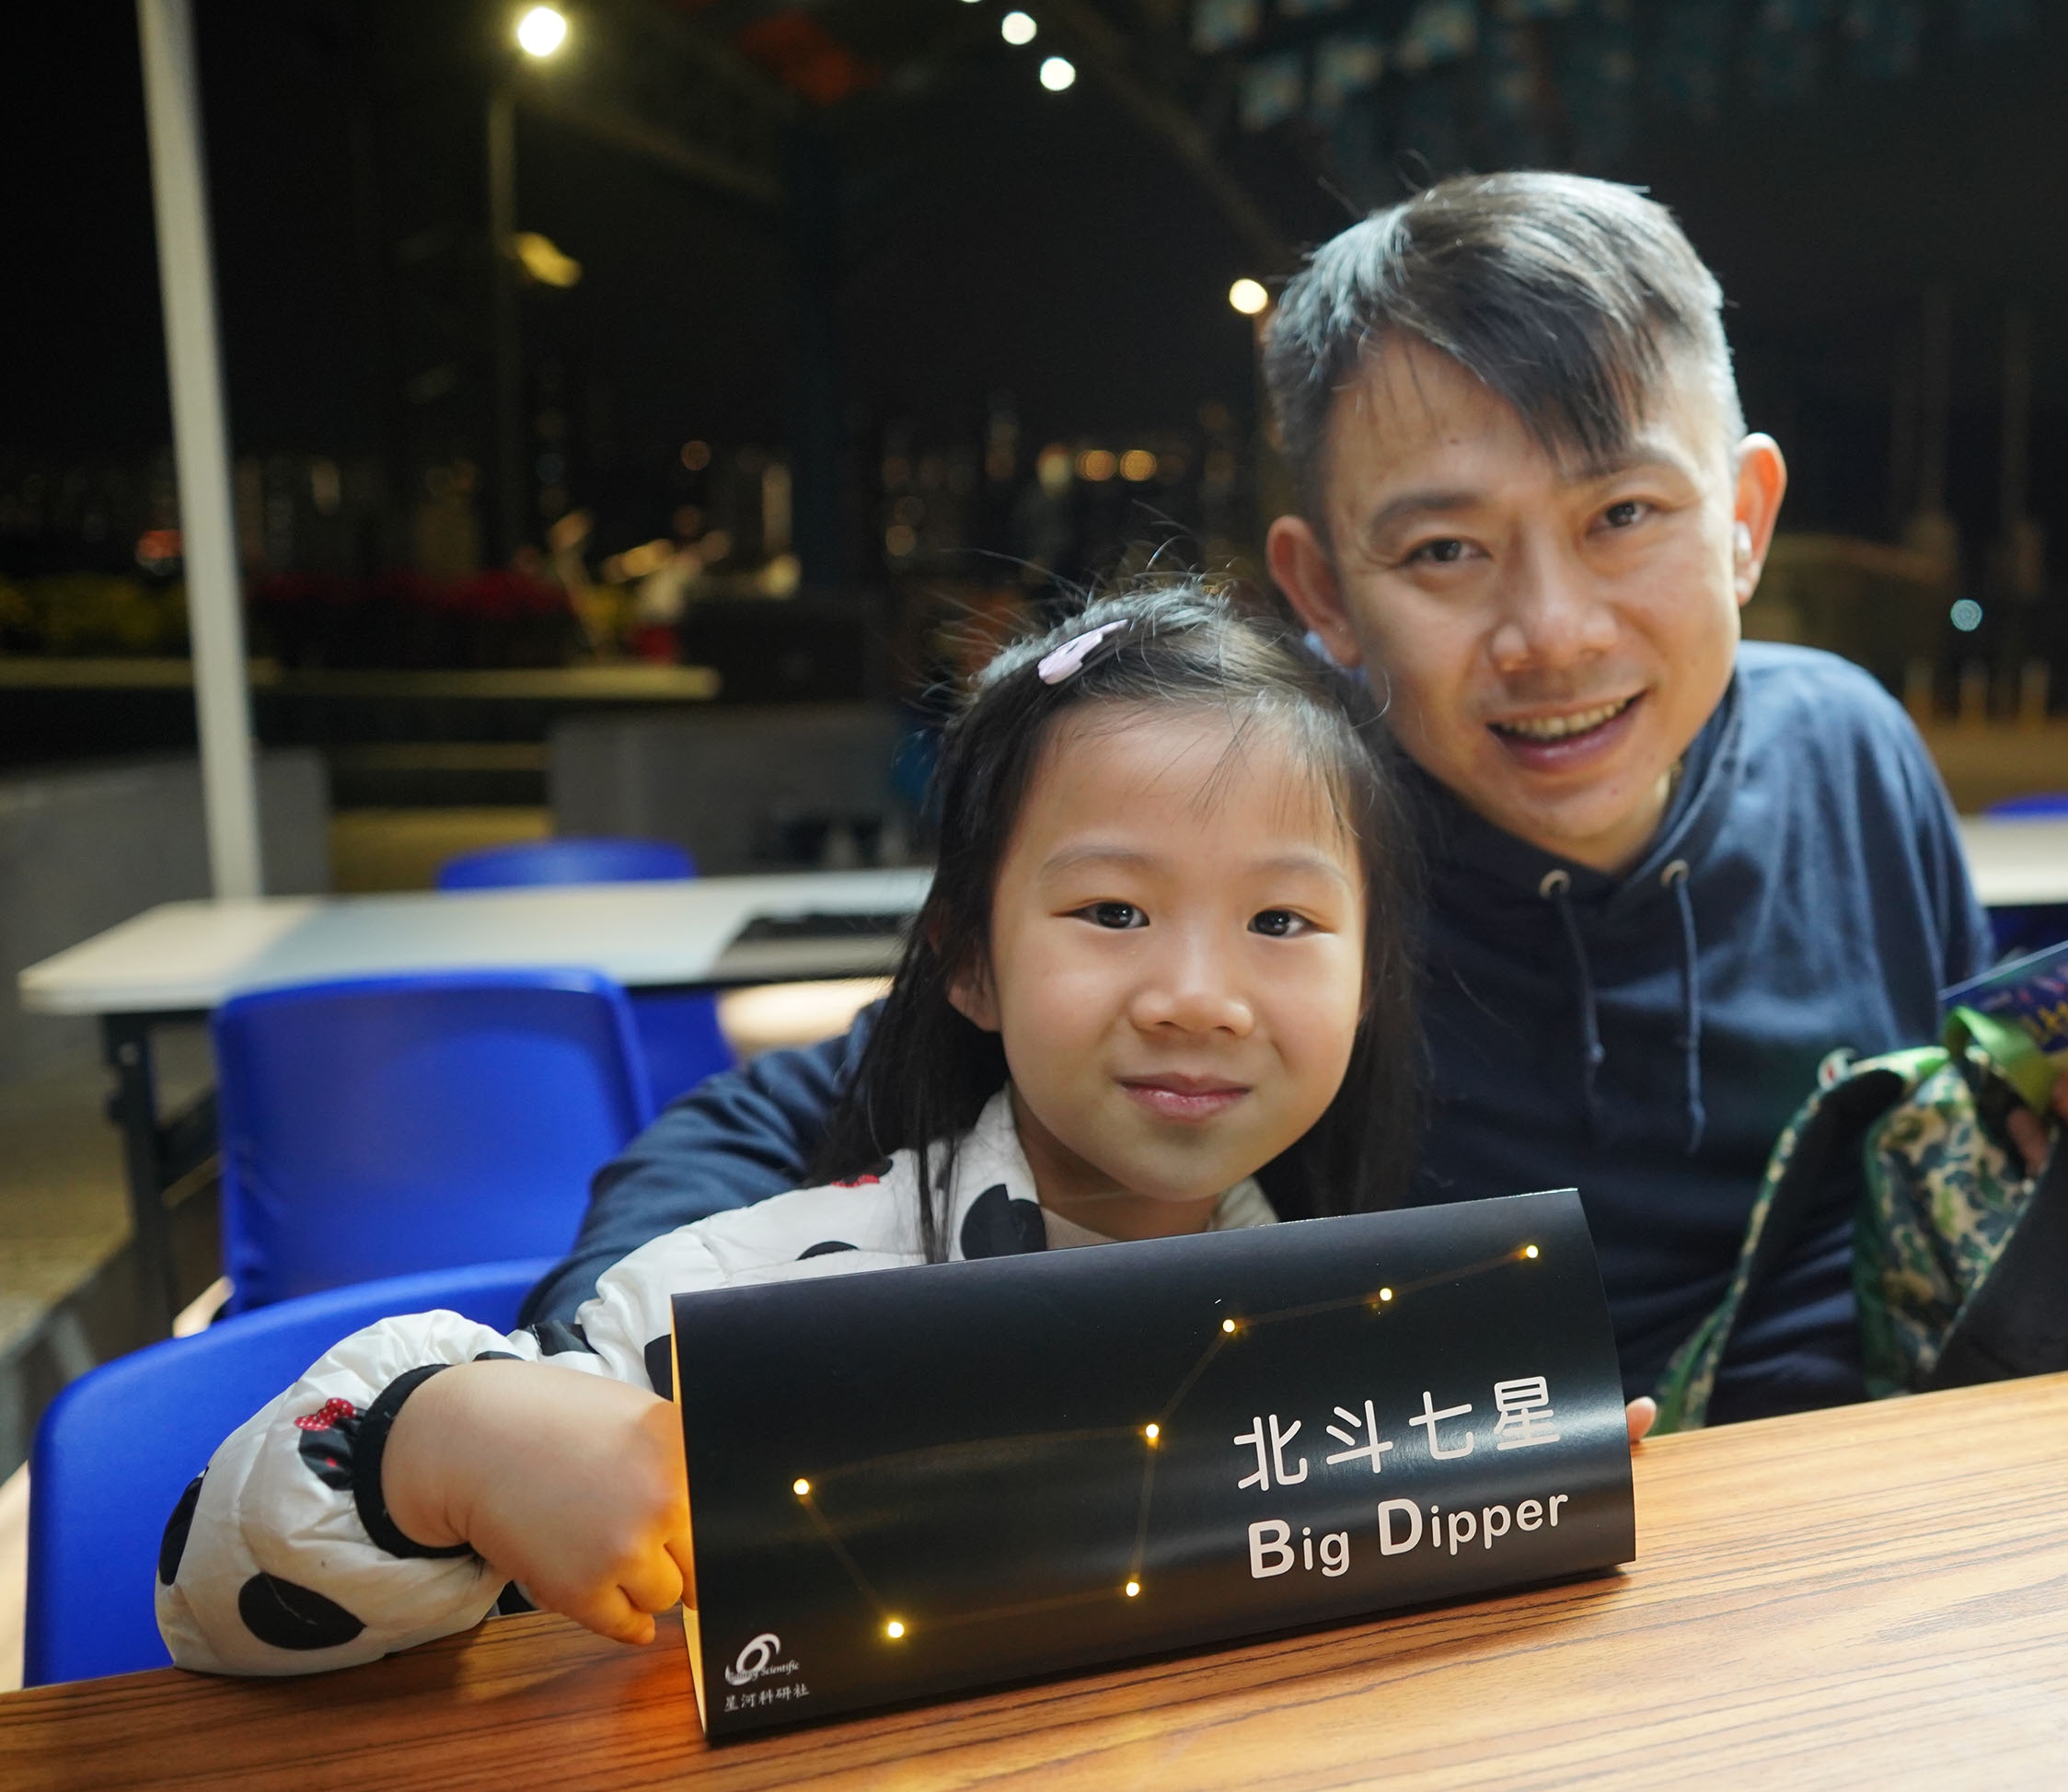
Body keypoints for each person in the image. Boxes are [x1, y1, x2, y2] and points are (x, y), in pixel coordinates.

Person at [533, 171, 2068, 1423]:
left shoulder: (1852, 746)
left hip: (1881, 1513)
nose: (1552, 633)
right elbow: (776, 1125)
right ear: (1323, 593)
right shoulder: (1275, 847)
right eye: (1444, 552)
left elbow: (1964, 1110)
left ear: (1745, 522)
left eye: (1625, 516)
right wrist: (567, 1389)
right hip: (1458, 1570)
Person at [158, 588, 1425, 1673]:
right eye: (1112, 911)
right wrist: (439, 1443)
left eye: (1280, 923)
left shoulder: (1370, 1325)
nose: (1197, 998)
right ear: (970, 964)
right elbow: (211, 1605)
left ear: (1367, 980)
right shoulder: (755, 1298)